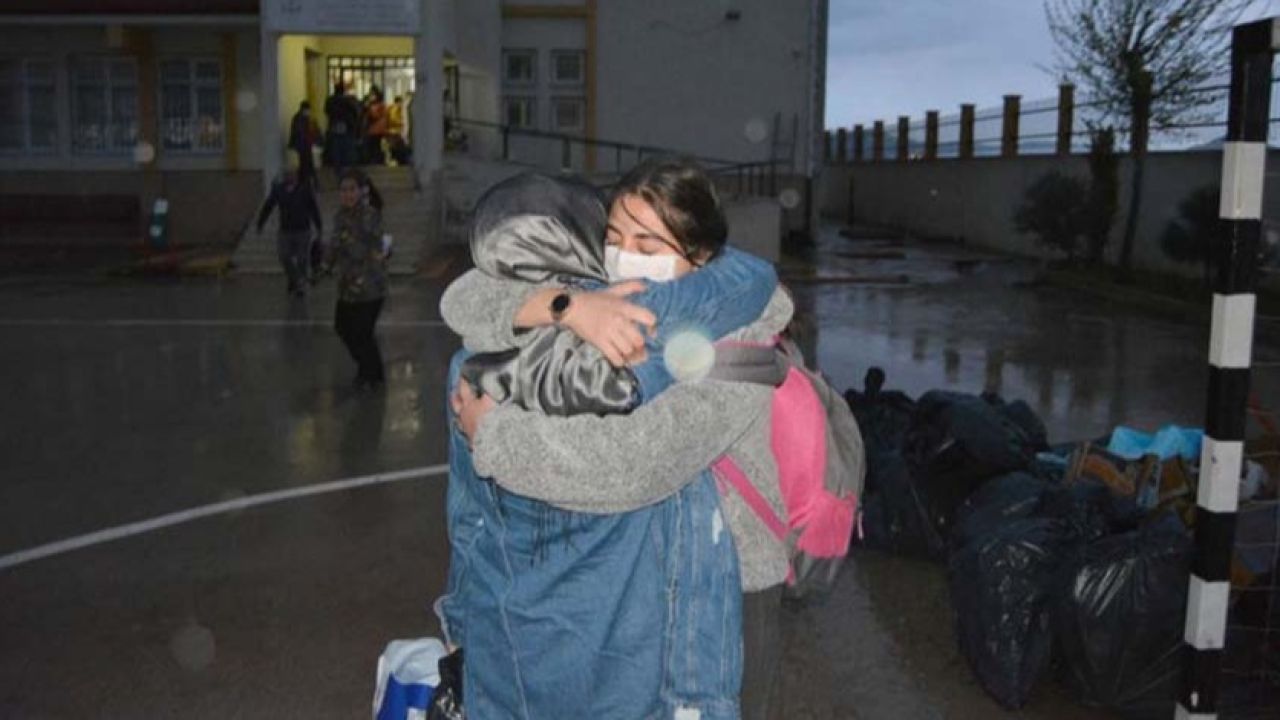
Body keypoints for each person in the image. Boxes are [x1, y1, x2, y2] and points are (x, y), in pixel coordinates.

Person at [439, 161, 787, 718]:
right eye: (614, 238)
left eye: (647, 244)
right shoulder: (598, 307)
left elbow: (631, 467)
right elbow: (467, 297)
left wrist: (495, 433)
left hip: (728, 584)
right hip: (648, 592)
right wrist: (569, 306)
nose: (624, 256)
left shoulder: (741, 347)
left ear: (701, 259)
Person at [327, 169, 387, 389]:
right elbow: (334, 246)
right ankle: (367, 368)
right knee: (342, 327)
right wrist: (324, 265)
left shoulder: (369, 215)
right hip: (347, 286)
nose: (347, 194)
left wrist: (347, 241)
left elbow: (368, 249)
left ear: (362, 191)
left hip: (370, 286)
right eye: (343, 190)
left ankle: (372, 375)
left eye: (352, 189)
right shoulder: (340, 216)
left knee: (362, 332)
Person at [256, 163, 322, 296]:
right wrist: (260, 223)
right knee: (284, 256)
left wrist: (318, 225)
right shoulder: (278, 190)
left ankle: (300, 284)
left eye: (291, 173)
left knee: (302, 258)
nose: (289, 176)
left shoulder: (305, 189)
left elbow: (313, 207)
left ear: (296, 175)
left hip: (303, 229)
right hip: (285, 230)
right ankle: (295, 279)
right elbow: (268, 206)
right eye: (286, 174)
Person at [323, 82, 359, 177]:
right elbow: (355, 112)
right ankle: (347, 171)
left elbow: (326, 111)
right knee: (347, 151)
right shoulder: (348, 100)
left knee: (336, 151)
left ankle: (338, 171)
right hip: (347, 127)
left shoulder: (330, 101)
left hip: (334, 127)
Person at [287, 100, 320, 187]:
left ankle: (306, 182)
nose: (308, 111)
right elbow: (299, 132)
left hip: (305, 145)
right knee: (307, 164)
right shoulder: (301, 118)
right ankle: (311, 183)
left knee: (305, 164)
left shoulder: (302, 118)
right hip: (303, 145)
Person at [363, 86, 388, 166]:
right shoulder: (375, 105)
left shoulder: (379, 105)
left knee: (375, 145)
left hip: (376, 129)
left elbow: (375, 116)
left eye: (372, 94)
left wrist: (369, 109)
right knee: (374, 145)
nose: (371, 96)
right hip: (374, 129)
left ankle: (376, 160)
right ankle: (375, 159)